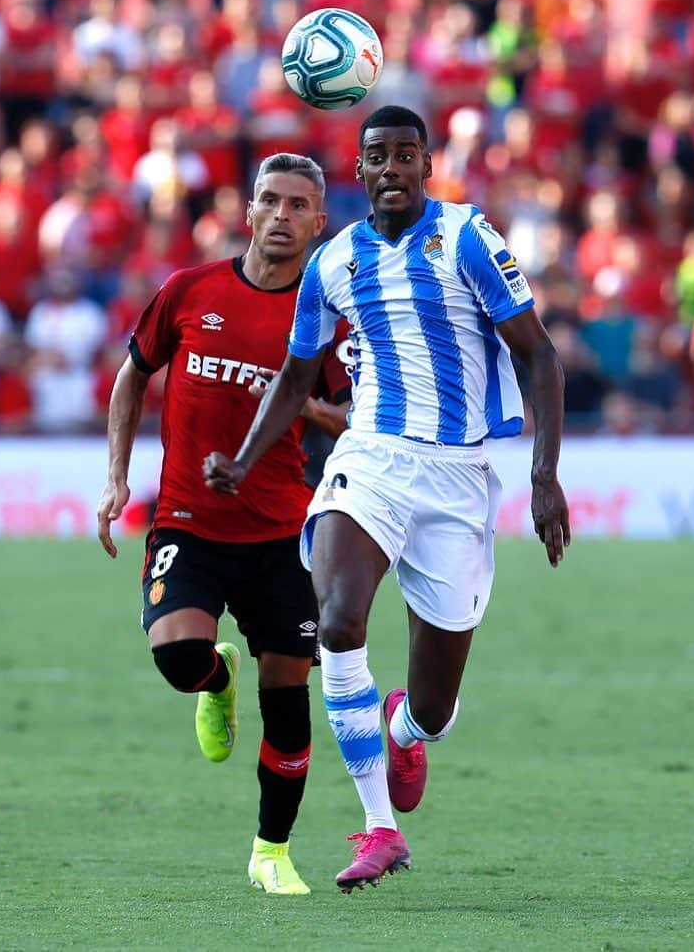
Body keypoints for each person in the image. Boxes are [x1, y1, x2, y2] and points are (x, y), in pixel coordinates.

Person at [204, 106, 571, 892]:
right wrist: (242, 458)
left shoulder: (468, 237)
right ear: (361, 170)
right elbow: (298, 378)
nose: (393, 168)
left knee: (436, 706)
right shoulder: (333, 262)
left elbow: (539, 356)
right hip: (367, 458)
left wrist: (543, 476)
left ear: (427, 165)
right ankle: (379, 826)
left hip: (458, 477)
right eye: (378, 156)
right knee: (334, 620)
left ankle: (406, 727)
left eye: (407, 154)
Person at [96, 153, 349, 896]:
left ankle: (270, 851)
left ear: (317, 222)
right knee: (179, 662)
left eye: (297, 204)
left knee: (289, 705)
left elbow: (347, 415)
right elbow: (132, 371)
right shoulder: (188, 291)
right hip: (187, 521)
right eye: (269, 199)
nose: (281, 214)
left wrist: (296, 399)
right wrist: (116, 476)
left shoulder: (325, 314)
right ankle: (215, 676)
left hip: (280, 533)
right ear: (248, 211)